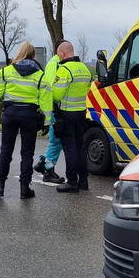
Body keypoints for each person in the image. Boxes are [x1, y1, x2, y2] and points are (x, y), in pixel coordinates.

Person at [0, 41, 52, 199]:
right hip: (29, 116)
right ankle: (25, 189)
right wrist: (47, 122)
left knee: (5, 150)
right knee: (27, 153)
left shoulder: (6, 71)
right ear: (33, 55)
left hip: (10, 114)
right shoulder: (40, 75)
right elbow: (46, 102)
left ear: (19, 53)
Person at [50, 40, 93, 193]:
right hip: (81, 113)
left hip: (66, 114)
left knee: (70, 149)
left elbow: (56, 94)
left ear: (62, 53)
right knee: (80, 147)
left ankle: (72, 182)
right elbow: (88, 89)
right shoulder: (85, 69)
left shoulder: (64, 70)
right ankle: (83, 181)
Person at [33, 42, 65, 184]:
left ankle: (43, 163)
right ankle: (47, 169)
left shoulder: (57, 62)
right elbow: (51, 86)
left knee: (57, 140)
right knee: (56, 140)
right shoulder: (55, 63)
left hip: (55, 108)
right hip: (55, 108)